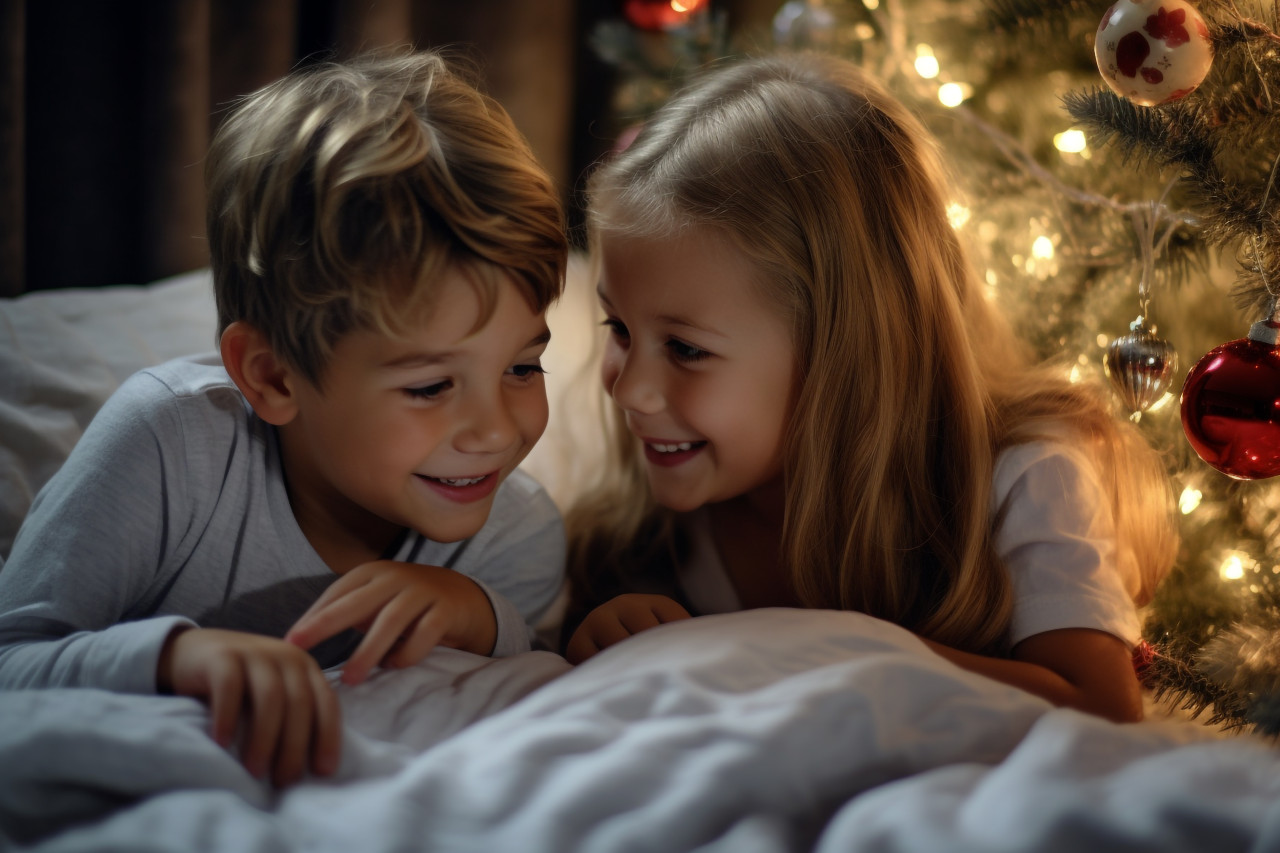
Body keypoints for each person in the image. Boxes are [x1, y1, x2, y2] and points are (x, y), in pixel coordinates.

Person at [0, 49, 569, 786]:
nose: (496, 431)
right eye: (431, 386)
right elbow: (12, 659)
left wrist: (483, 621)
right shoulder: (169, 446)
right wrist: (174, 658)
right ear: (271, 376)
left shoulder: (516, 538)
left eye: (522, 366)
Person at [562, 52, 1178, 724]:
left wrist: (809, 644)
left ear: (844, 349)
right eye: (618, 328)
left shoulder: (1026, 476)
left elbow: (1103, 709)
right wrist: (606, 634)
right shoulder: (661, 527)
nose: (631, 390)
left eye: (685, 348)